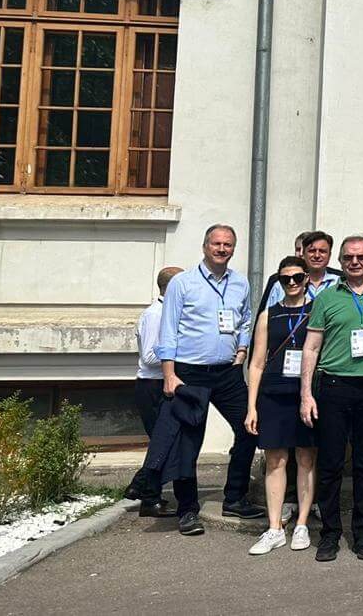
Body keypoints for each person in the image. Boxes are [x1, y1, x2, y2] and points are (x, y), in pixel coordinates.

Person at [157, 224, 266, 536]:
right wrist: (169, 373)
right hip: (189, 373)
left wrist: (243, 348)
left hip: (227, 372)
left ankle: (234, 497)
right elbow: (169, 328)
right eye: (216, 243)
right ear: (205, 246)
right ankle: (187, 509)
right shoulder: (182, 283)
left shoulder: (240, 283)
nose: (222, 249)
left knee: (250, 428)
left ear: (233, 248)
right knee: (188, 443)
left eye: (228, 244)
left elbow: (245, 318)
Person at [298, 236, 363, 562]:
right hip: (333, 387)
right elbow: (311, 348)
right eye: (348, 257)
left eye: (361, 257)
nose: (355, 262)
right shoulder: (327, 297)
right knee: (330, 464)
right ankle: (330, 534)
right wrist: (306, 394)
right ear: (341, 262)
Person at [243, 256, 318, 555]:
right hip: (274, 392)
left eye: (297, 278)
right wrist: (252, 406)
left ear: (306, 279)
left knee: (306, 458)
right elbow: (257, 362)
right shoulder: (268, 315)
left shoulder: (317, 311)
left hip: (306, 393)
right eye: (284, 278)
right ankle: (274, 527)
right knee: (275, 460)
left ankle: (301, 522)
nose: (291, 283)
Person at [133, 266, 183, 519]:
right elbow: (151, 356)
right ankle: (149, 497)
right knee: (162, 443)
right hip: (153, 386)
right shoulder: (156, 315)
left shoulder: (170, 313)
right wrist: (180, 355)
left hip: (163, 385)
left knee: (166, 441)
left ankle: (140, 485)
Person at [259, 231, 340, 311]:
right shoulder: (282, 284)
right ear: (303, 254)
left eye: (322, 251)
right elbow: (267, 318)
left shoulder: (340, 284)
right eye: (312, 251)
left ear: (329, 255)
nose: (317, 255)